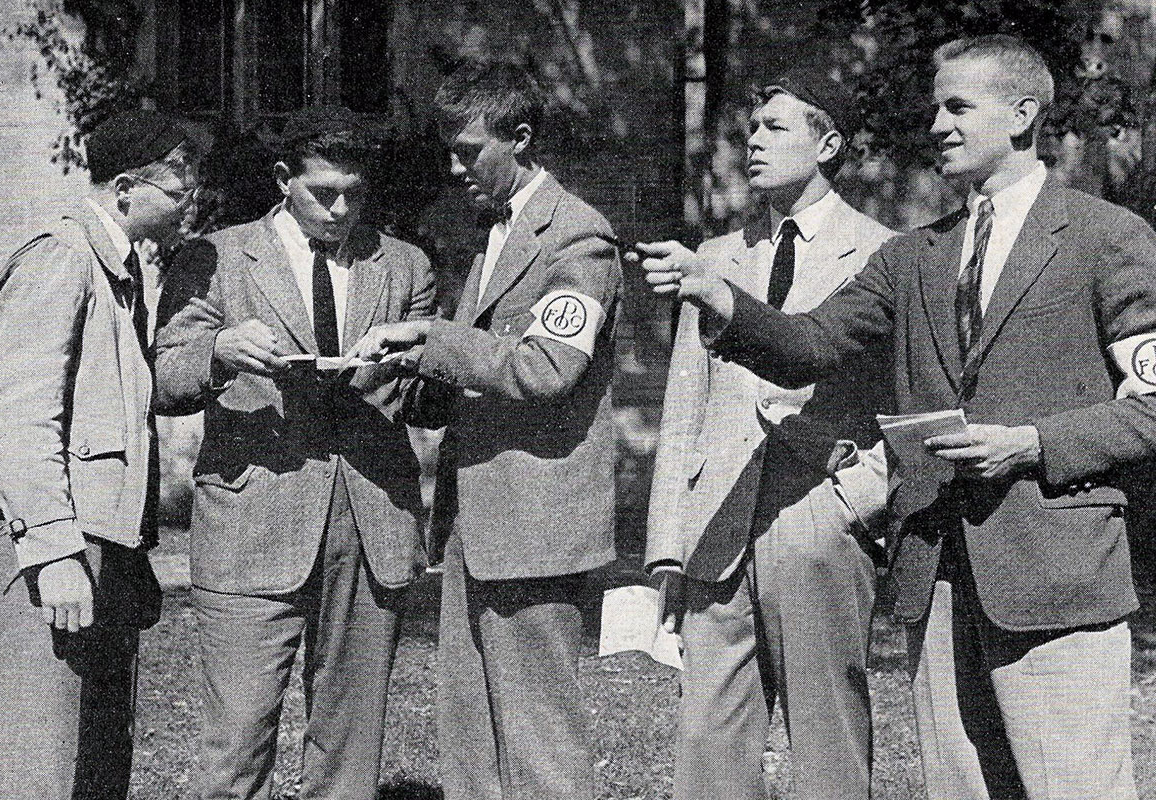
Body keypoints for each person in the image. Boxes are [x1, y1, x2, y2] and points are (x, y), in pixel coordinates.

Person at [641, 34, 1156, 799]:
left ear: (1022, 115)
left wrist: (1033, 443)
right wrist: (723, 300)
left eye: (958, 107)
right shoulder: (915, 255)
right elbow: (811, 343)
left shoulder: (1106, 236)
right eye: (935, 108)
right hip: (938, 580)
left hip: (1057, 577)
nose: (939, 124)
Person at [353, 62, 622, 800]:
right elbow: (475, 377)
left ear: (522, 139)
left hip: (537, 527)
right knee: (470, 735)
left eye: (468, 149)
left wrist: (432, 338)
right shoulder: (495, 235)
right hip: (479, 523)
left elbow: (545, 368)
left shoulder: (579, 238)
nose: (453, 165)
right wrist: (391, 378)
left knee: (540, 745)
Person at [153, 104, 435, 800]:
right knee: (237, 746)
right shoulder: (213, 256)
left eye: (356, 193)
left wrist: (424, 361)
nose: (342, 210)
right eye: (323, 193)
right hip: (252, 524)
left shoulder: (405, 265)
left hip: (371, 524)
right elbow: (162, 376)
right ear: (284, 179)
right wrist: (218, 352)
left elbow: (428, 398)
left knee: (349, 754)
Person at [644, 64, 894, 800]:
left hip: (818, 525)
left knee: (827, 746)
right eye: (751, 128)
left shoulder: (885, 252)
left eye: (775, 127)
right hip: (716, 529)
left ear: (828, 144)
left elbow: (898, 400)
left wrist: (854, 504)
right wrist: (667, 548)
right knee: (707, 749)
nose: (753, 142)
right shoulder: (717, 257)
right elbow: (683, 405)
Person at [0, 110, 199, 800]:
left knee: (93, 755)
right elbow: (20, 417)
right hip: (53, 541)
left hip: (99, 541)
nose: (188, 207)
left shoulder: (116, 270)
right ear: (127, 188)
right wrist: (55, 551)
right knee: (36, 755)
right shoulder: (62, 256)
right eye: (179, 193)